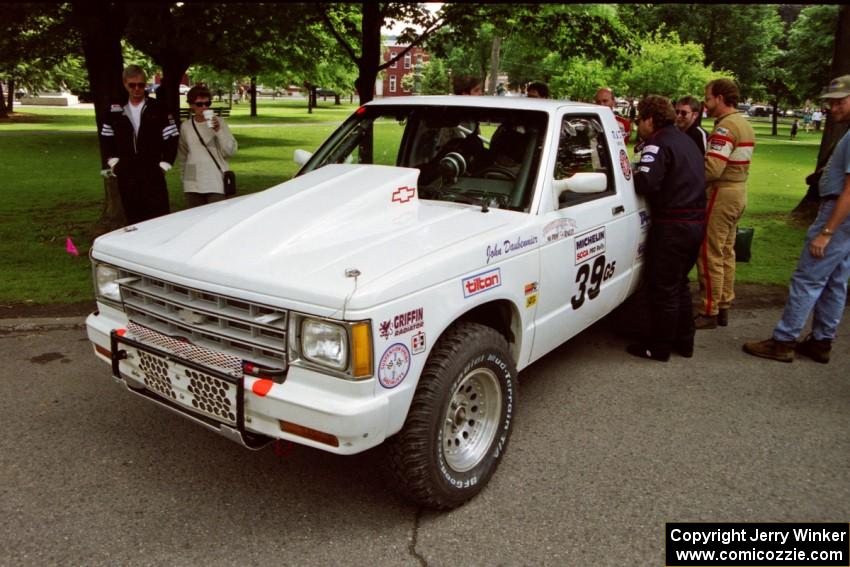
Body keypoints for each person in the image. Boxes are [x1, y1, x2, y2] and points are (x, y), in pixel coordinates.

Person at [743, 75, 850, 363]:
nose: (832, 108)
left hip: (837, 215)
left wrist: (827, 230)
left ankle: (783, 340)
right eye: (830, 102)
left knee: (809, 277)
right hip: (843, 216)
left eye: (839, 102)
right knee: (835, 279)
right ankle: (821, 340)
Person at [626, 96, 706, 361]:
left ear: (650, 119)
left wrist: (630, 175)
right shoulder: (686, 140)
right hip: (695, 223)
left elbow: (647, 182)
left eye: (639, 119)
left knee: (663, 287)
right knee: (679, 283)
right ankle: (685, 341)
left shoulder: (658, 143)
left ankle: (658, 347)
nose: (639, 125)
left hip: (673, 224)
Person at [694, 78, 756, 329]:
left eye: (708, 98)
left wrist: (689, 177)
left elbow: (713, 168)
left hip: (722, 193)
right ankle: (723, 305)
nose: (705, 104)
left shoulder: (725, 127)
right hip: (739, 191)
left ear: (720, 98)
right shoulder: (744, 124)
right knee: (726, 251)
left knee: (709, 253)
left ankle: (709, 309)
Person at [100, 64, 179, 225]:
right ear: (125, 84)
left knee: (160, 219)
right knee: (134, 219)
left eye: (141, 85)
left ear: (146, 84)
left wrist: (165, 165)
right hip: (127, 174)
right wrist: (114, 163)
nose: (137, 89)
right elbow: (106, 138)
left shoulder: (159, 108)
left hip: (153, 172)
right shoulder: (114, 109)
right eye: (132, 85)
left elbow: (171, 138)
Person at [178, 85, 238, 208]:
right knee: (196, 220)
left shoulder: (219, 122)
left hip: (215, 180)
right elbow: (183, 155)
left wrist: (218, 131)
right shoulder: (186, 126)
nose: (204, 107)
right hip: (192, 183)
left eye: (207, 103)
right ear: (192, 105)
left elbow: (230, 151)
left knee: (216, 219)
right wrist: (185, 180)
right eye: (200, 104)